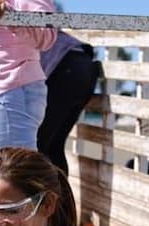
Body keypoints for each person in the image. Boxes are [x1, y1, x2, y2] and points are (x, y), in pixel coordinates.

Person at [0, 0, 57, 162]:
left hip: (10, 92)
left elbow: (46, 36)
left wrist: (8, 14)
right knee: (8, 174)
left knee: (11, 177)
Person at [37, 30, 101, 176]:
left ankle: (50, 197)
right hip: (82, 66)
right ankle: (61, 197)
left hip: (66, 66)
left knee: (37, 146)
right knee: (53, 146)